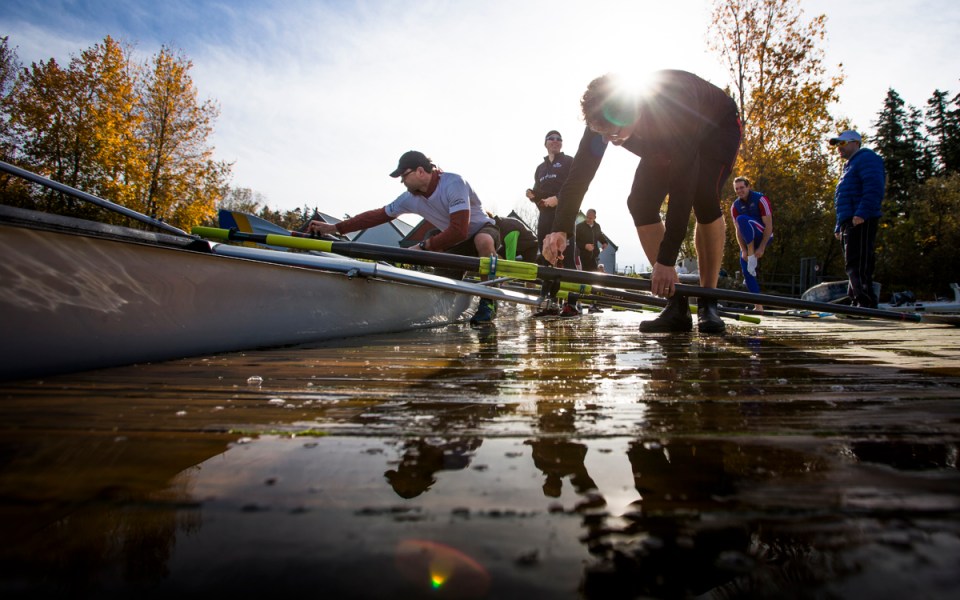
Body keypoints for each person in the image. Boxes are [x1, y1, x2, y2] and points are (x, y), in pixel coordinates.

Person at [542, 70, 742, 333]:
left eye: (613, 134)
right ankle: (676, 304)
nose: (608, 142)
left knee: (703, 195)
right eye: (601, 134)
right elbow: (579, 174)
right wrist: (561, 228)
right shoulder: (603, 117)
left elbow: (682, 190)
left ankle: (709, 302)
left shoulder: (671, 107)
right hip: (663, 141)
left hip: (715, 129)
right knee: (640, 202)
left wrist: (668, 260)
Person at [307, 150, 501, 324]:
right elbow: (376, 216)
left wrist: (423, 247)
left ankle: (489, 300)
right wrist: (335, 227)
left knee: (481, 241)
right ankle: (442, 303)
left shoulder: (454, 182)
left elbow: (459, 229)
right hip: (455, 242)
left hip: (482, 230)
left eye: (403, 176)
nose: (402, 182)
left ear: (420, 171)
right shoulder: (409, 198)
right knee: (441, 291)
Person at [829, 130, 885, 308]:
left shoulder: (867, 159)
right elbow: (842, 198)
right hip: (848, 220)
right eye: (838, 144)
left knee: (859, 262)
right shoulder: (849, 166)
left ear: (855, 143)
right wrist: (839, 226)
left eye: (843, 144)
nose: (839, 148)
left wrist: (862, 213)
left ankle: (866, 301)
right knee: (851, 262)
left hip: (860, 218)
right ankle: (855, 299)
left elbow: (874, 186)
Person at [526, 130, 577, 269]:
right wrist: (532, 195)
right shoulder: (540, 168)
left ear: (561, 144)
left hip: (564, 215)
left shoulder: (569, 161)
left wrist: (558, 199)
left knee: (565, 258)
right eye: (551, 138)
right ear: (545, 143)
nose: (555, 140)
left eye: (559, 139)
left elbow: (576, 187)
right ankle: (546, 289)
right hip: (545, 218)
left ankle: (570, 289)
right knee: (545, 257)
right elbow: (538, 194)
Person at [730, 176, 773, 310]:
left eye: (742, 187)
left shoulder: (760, 199)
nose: (740, 191)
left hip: (762, 234)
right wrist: (743, 250)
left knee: (742, 219)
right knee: (746, 268)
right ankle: (758, 306)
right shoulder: (735, 206)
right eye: (737, 189)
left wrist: (761, 247)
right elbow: (738, 231)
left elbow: (769, 226)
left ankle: (751, 254)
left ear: (748, 187)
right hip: (748, 242)